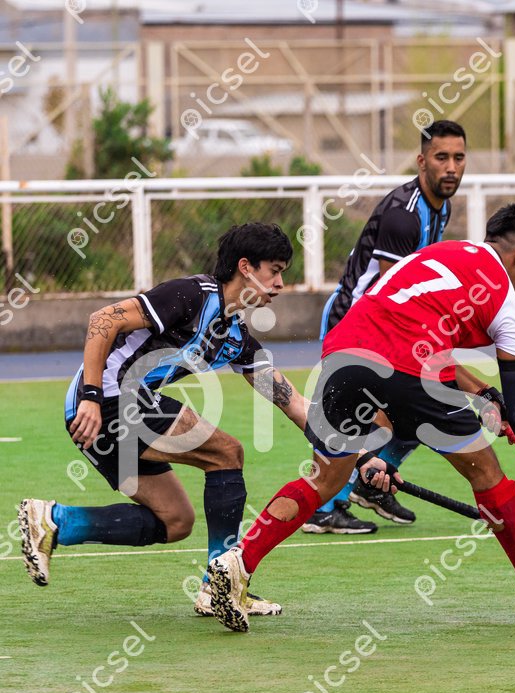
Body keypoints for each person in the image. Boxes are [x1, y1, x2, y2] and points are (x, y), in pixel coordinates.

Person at [208, 203, 515, 633]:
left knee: (324, 479)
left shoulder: (441, 254)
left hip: (343, 357)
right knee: (486, 473)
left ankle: (238, 563)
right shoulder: (506, 302)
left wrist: (482, 394)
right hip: (412, 370)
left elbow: (408, 328)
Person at [17, 222, 308, 617]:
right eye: (274, 271)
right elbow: (103, 320)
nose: (280, 284)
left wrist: (347, 454)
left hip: (115, 407)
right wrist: (91, 397)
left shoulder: (235, 337)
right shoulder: (191, 295)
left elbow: (292, 402)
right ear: (245, 267)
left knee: (175, 521)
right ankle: (221, 585)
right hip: (109, 399)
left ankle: (56, 521)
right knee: (227, 453)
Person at [306, 119, 468, 534]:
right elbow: (389, 291)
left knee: (417, 412)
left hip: (389, 325)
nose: (451, 167)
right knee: (359, 416)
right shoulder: (404, 216)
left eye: (459, 157)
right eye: (442, 157)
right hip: (357, 323)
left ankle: (369, 484)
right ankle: (323, 508)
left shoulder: (441, 206)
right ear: (421, 161)